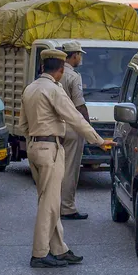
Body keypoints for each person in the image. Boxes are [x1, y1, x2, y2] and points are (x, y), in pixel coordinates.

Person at [18, 49, 115, 268]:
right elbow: (75, 118)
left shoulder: (30, 89)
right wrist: (99, 141)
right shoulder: (54, 89)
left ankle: (59, 249)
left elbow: (22, 125)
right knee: (49, 204)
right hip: (50, 148)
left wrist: (34, 141)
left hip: (34, 146)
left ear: (43, 67)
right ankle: (40, 253)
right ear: (60, 70)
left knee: (49, 200)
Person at [60, 41, 90, 221]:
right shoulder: (73, 76)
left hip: (55, 126)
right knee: (70, 169)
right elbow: (80, 105)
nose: (81, 58)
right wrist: (87, 127)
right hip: (71, 127)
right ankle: (67, 208)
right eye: (80, 54)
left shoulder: (54, 73)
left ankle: (54, 205)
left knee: (57, 170)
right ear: (74, 55)